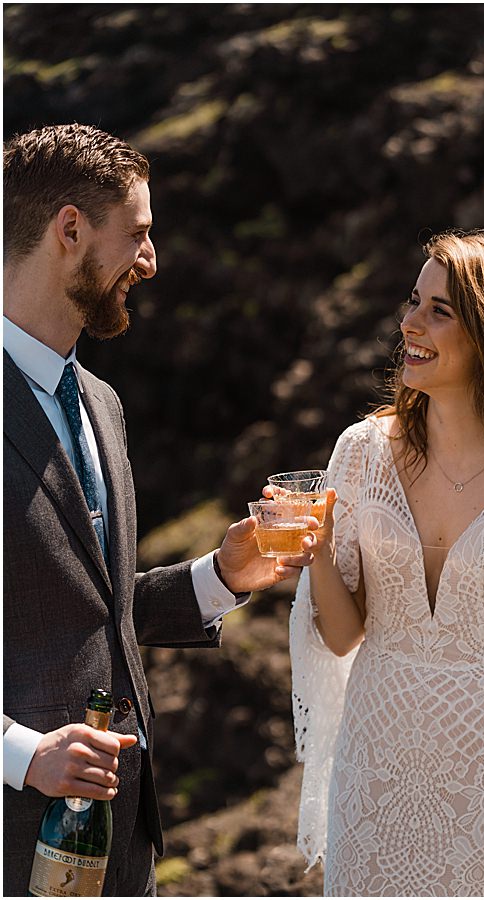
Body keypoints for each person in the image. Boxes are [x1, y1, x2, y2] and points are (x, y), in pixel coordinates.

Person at [1, 123, 319, 895]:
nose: (151, 260)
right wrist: (19, 754)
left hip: (121, 845)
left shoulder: (101, 405)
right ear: (69, 229)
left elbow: (89, 614)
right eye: (138, 234)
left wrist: (221, 575)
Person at [289, 232, 484, 896]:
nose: (409, 323)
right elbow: (344, 636)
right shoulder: (363, 451)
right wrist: (313, 551)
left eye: (440, 310)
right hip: (374, 770)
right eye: (413, 301)